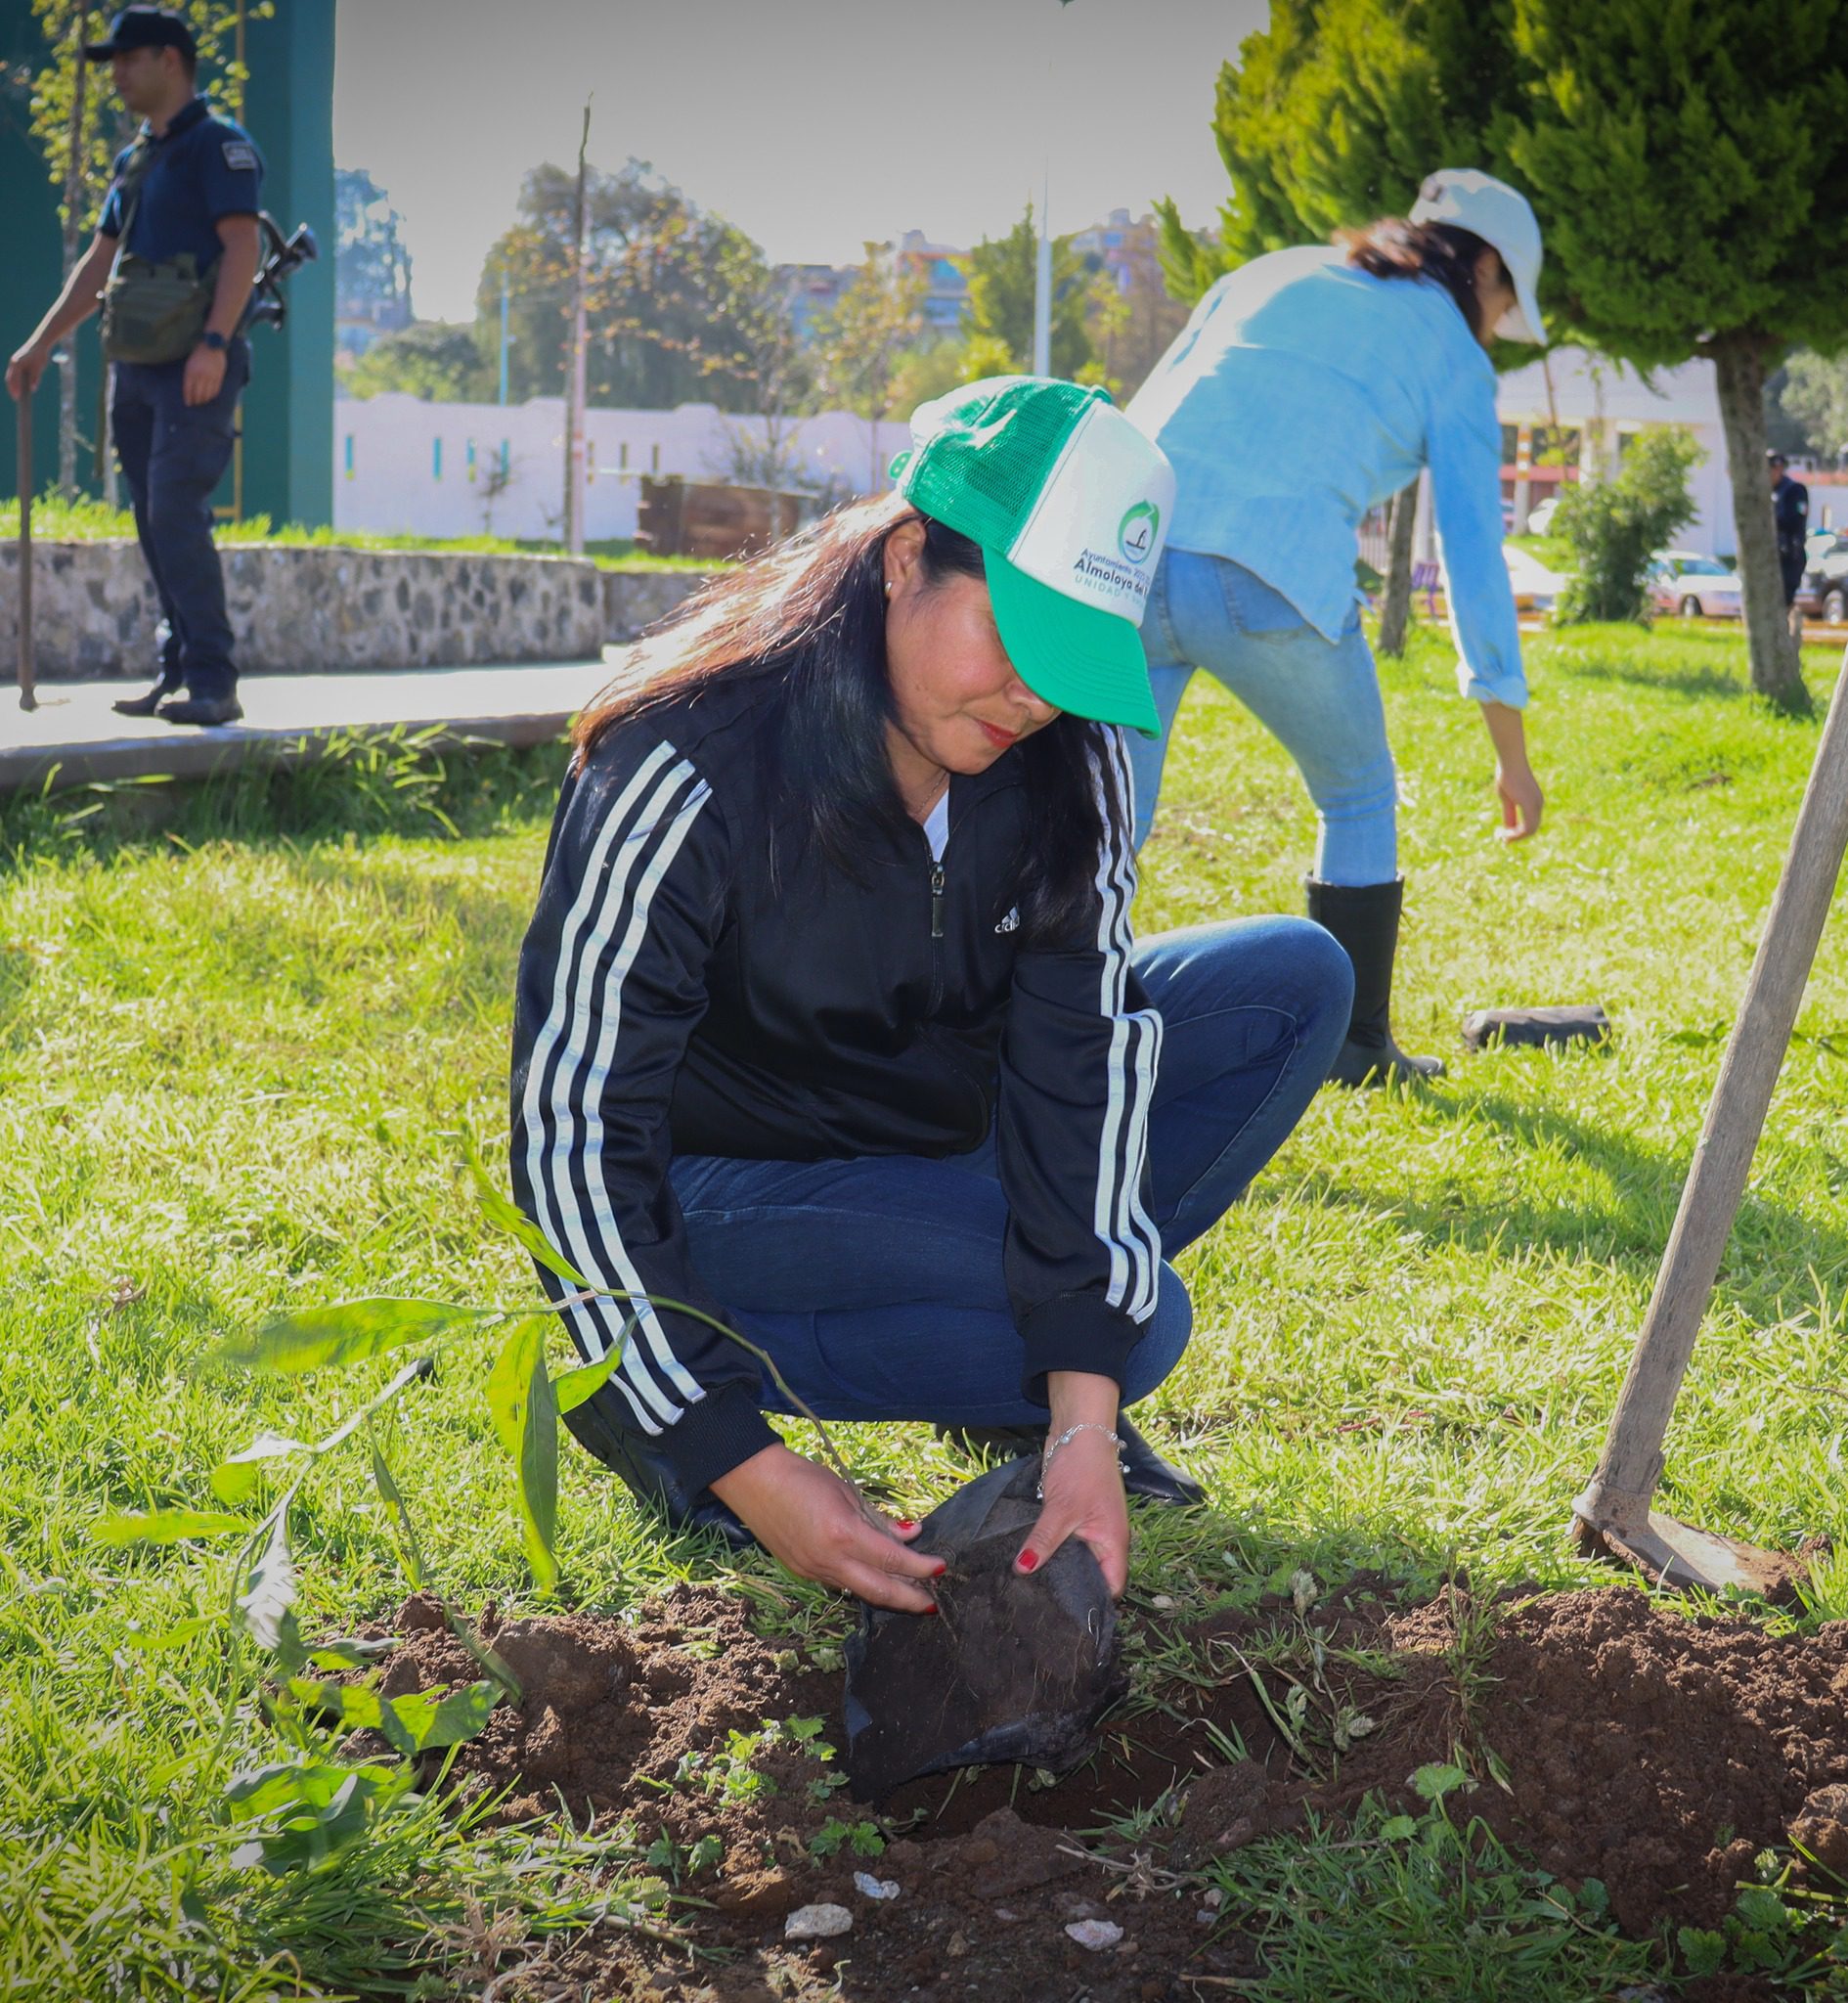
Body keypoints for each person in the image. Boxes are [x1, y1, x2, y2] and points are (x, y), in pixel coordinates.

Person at [508, 377, 1353, 1614]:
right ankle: (658, 1398)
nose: (1035, 698)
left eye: (1072, 661)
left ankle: (1021, 1352)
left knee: (1292, 982)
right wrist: (735, 1458)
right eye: (1016, 637)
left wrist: (1079, 1418)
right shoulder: (687, 762)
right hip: (721, 1195)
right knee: (1142, 1319)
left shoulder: (1073, 754)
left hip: (942, 1133)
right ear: (907, 558)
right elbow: (573, 1137)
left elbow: (1087, 1049)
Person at [1125, 169, 1549, 1086]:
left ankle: (1041, 1016)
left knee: (1108, 816)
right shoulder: (1455, 357)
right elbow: (1475, 557)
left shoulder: (1268, 271)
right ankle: (1355, 1050)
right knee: (1357, 791)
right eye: (1506, 300)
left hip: (1133, 550)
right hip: (1269, 572)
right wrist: (1510, 752)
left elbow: (1145, 415)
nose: (1497, 325)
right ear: (1484, 268)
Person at [5, 6, 263, 728]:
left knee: (176, 511)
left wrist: (213, 345)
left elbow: (242, 247)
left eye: (128, 58)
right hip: (138, 365)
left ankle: (214, 680)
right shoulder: (135, 160)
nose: (116, 73)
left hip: (195, 365)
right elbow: (99, 266)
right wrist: (39, 343)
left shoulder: (220, 147)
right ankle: (177, 669)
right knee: (154, 519)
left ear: (170, 61)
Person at [1769, 452, 1810, 617]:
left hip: (1788, 555)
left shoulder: (1794, 490)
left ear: (1778, 469)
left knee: (1783, 602)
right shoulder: (1769, 492)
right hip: (1771, 554)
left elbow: (1793, 520)